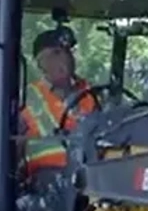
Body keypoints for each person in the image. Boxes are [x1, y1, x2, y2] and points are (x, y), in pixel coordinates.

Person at [18, 28, 97, 177]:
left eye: (68, 52)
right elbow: (9, 152)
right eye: (55, 53)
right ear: (40, 63)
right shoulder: (26, 100)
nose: (64, 59)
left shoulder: (93, 94)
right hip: (44, 190)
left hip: (91, 185)